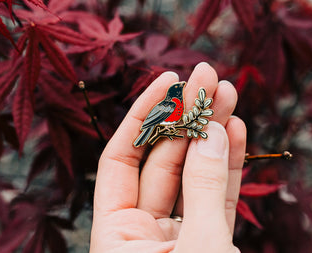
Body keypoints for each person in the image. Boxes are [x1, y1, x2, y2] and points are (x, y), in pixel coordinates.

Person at [90, 62, 247, 252]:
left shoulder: (177, 103)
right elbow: (158, 118)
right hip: (159, 125)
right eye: (177, 88)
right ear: (174, 93)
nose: (180, 89)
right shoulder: (171, 103)